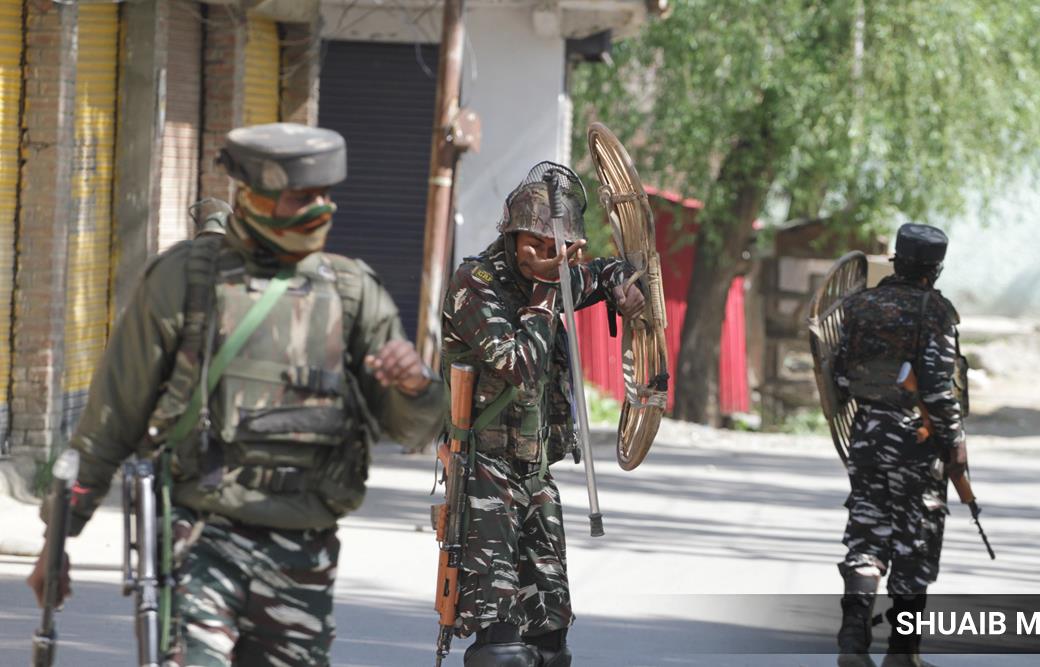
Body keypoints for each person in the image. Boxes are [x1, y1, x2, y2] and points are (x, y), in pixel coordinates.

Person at [27, 122, 444, 666]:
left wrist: (415, 387)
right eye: (301, 196)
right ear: (254, 195)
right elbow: (109, 423)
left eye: (324, 195)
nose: (319, 209)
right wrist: (57, 538)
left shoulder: (350, 292)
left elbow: (411, 428)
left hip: (303, 549)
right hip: (200, 535)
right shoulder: (187, 280)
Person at [439, 162, 644, 667]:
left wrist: (622, 283)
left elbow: (604, 273)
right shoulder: (476, 284)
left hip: (535, 471)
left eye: (559, 247)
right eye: (535, 244)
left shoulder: (557, 273)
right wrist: (549, 289)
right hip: (485, 472)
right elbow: (520, 365)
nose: (547, 255)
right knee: (502, 645)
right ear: (511, 236)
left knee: (551, 640)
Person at [832, 223, 968, 667]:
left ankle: (853, 640)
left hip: (867, 433)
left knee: (867, 534)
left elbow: (838, 376)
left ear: (896, 260)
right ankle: (902, 652)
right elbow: (938, 390)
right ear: (935, 269)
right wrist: (955, 443)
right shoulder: (936, 311)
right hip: (916, 441)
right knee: (914, 543)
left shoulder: (859, 305)